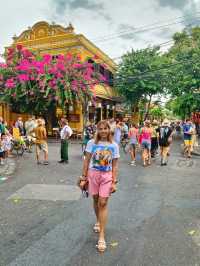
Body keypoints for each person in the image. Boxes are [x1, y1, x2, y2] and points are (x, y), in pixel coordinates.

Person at [80, 120, 119, 252]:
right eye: (100, 129)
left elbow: (115, 165)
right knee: (95, 199)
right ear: (97, 130)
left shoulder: (114, 145)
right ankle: (98, 220)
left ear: (109, 130)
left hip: (106, 176)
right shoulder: (92, 143)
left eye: (105, 128)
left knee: (103, 203)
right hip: (93, 175)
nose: (103, 131)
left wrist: (114, 181)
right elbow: (86, 161)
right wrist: (83, 178)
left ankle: (101, 236)